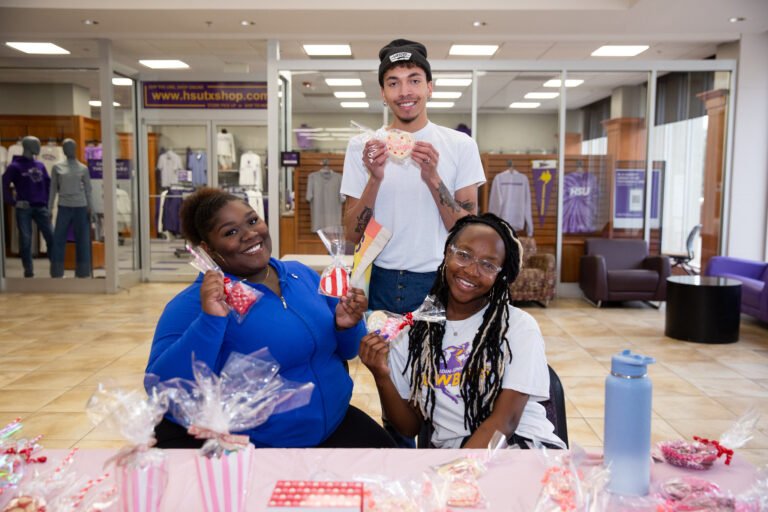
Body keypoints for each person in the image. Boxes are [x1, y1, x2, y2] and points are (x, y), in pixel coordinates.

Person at [146, 187, 394, 449]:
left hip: (335, 425)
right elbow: (162, 388)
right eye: (231, 232)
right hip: (259, 448)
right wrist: (210, 321)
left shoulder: (300, 274)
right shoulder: (193, 304)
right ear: (208, 249)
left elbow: (348, 351)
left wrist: (345, 325)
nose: (250, 234)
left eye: (253, 221)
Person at [359, 214, 566, 449]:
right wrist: (381, 374)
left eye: (488, 264)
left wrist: (454, 475)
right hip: (455, 458)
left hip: (519, 449)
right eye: (464, 255)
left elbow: (505, 421)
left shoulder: (518, 327)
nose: (471, 270)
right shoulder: (412, 333)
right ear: (448, 253)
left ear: (500, 274)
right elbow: (410, 427)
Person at [341, 38, 486, 315]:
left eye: (414, 80)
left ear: (430, 87)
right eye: (393, 83)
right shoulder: (363, 146)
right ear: (383, 93)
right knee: (379, 357)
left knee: (435, 359)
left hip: (438, 278)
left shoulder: (460, 145)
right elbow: (351, 233)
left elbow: (467, 231)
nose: (405, 91)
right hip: (379, 277)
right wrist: (375, 178)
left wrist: (433, 177)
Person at [2, 136, 54, 278]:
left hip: (41, 207)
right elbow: (4, 184)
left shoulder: (40, 165)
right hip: (24, 208)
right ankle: (28, 271)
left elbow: (49, 185)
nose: (39, 147)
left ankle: (56, 269)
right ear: (28, 146)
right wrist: (13, 202)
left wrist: (48, 204)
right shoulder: (14, 166)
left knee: (51, 237)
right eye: (36, 144)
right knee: (25, 240)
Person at [49, 139, 93, 278]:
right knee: (58, 239)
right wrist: (49, 208)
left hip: (81, 207)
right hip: (64, 207)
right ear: (63, 150)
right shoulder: (57, 167)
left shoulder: (83, 168)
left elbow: (88, 190)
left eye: (71, 147)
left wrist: (91, 209)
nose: (68, 149)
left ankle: (83, 271)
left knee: (83, 240)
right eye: (65, 147)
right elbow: (53, 189)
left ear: (75, 148)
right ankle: (56, 271)